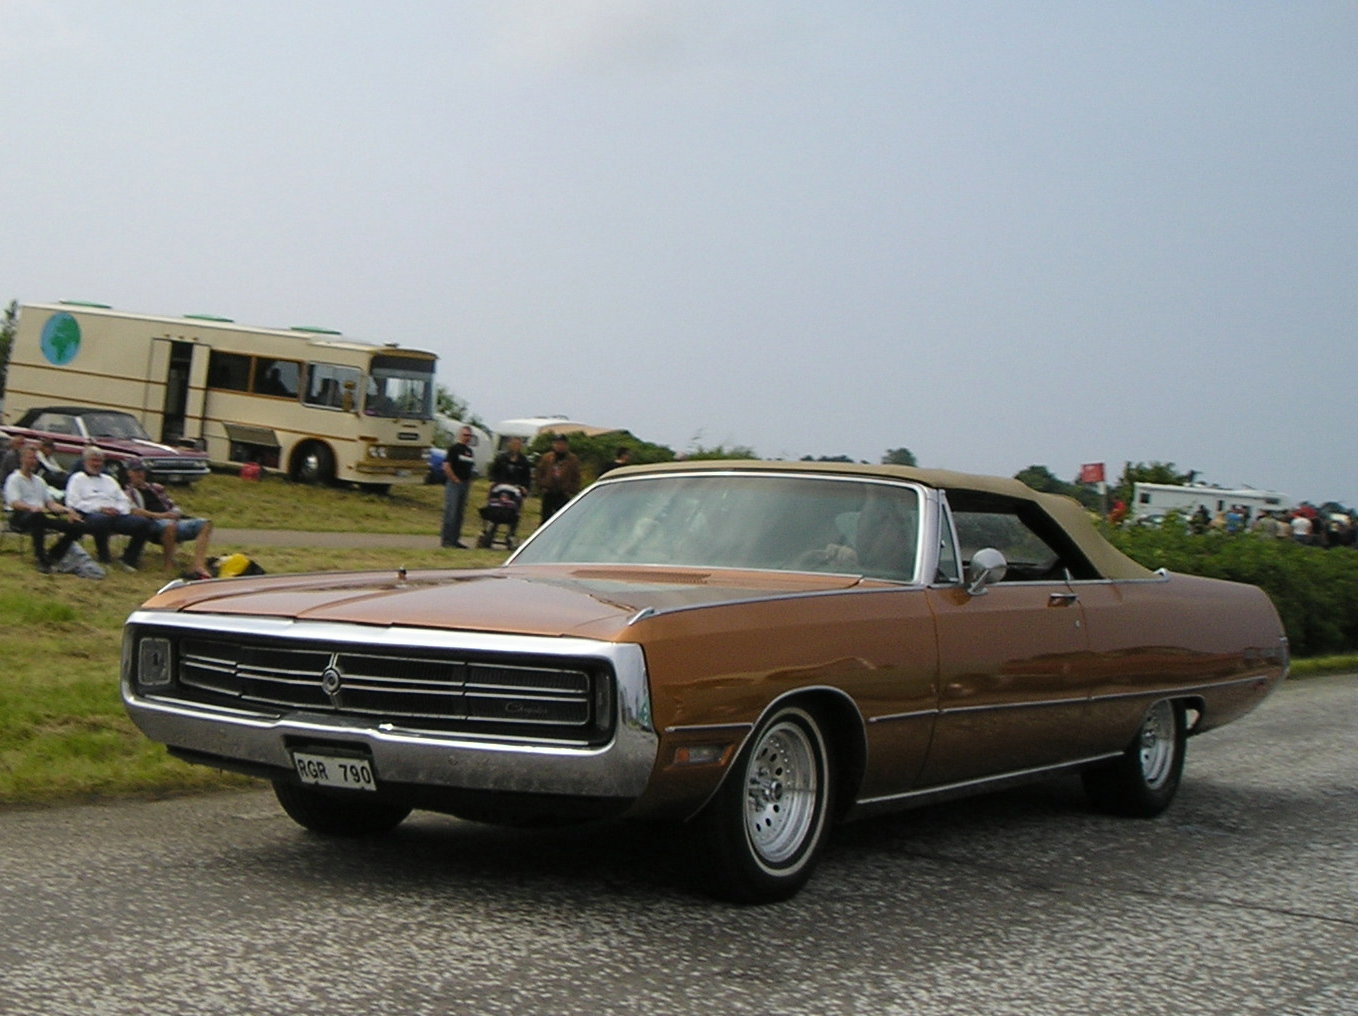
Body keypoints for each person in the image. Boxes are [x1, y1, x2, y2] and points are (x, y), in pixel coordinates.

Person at [65, 447, 156, 570]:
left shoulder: (109, 480)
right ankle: (104, 557)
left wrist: (118, 509)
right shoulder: (77, 479)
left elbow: (124, 500)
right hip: (90, 515)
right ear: (85, 461)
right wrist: (100, 508)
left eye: (99, 461)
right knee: (102, 520)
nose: (97, 464)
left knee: (143, 523)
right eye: (93, 460)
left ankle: (129, 559)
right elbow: (73, 502)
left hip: (116, 515)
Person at [3, 443, 87, 573]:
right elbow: (14, 503)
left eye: (35, 458)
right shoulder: (14, 479)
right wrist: (32, 507)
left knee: (78, 526)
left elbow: (50, 503)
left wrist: (68, 510)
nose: (33, 462)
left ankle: (53, 555)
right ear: (22, 459)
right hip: (21, 517)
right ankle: (41, 558)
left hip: (40, 516)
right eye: (30, 458)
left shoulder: (39, 481)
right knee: (37, 517)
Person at [123, 458, 215, 577]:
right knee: (170, 526)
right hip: (153, 522)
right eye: (136, 471)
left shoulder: (156, 488)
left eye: (142, 471)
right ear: (129, 473)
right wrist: (162, 516)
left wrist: (175, 513)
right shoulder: (128, 492)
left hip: (172, 518)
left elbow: (171, 504)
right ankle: (168, 565)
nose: (140, 474)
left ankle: (198, 565)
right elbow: (135, 511)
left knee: (206, 523)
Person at [440, 425, 477, 548]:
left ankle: (455, 539)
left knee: (459, 513)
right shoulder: (454, 449)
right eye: (465, 435)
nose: (467, 438)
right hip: (454, 484)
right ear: (460, 435)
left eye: (469, 436)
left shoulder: (469, 452)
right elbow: (446, 466)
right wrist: (454, 479)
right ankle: (447, 540)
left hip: (465, 484)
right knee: (451, 512)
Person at [534, 433, 581, 524]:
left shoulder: (572, 459)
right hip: (549, 491)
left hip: (563, 493)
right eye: (557, 443)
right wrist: (542, 486)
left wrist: (572, 490)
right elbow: (539, 472)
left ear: (567, 445)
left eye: (562, 444)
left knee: (562, 518)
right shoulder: (547, 458)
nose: (559, 446)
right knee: (545, 518)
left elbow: (576, 476)